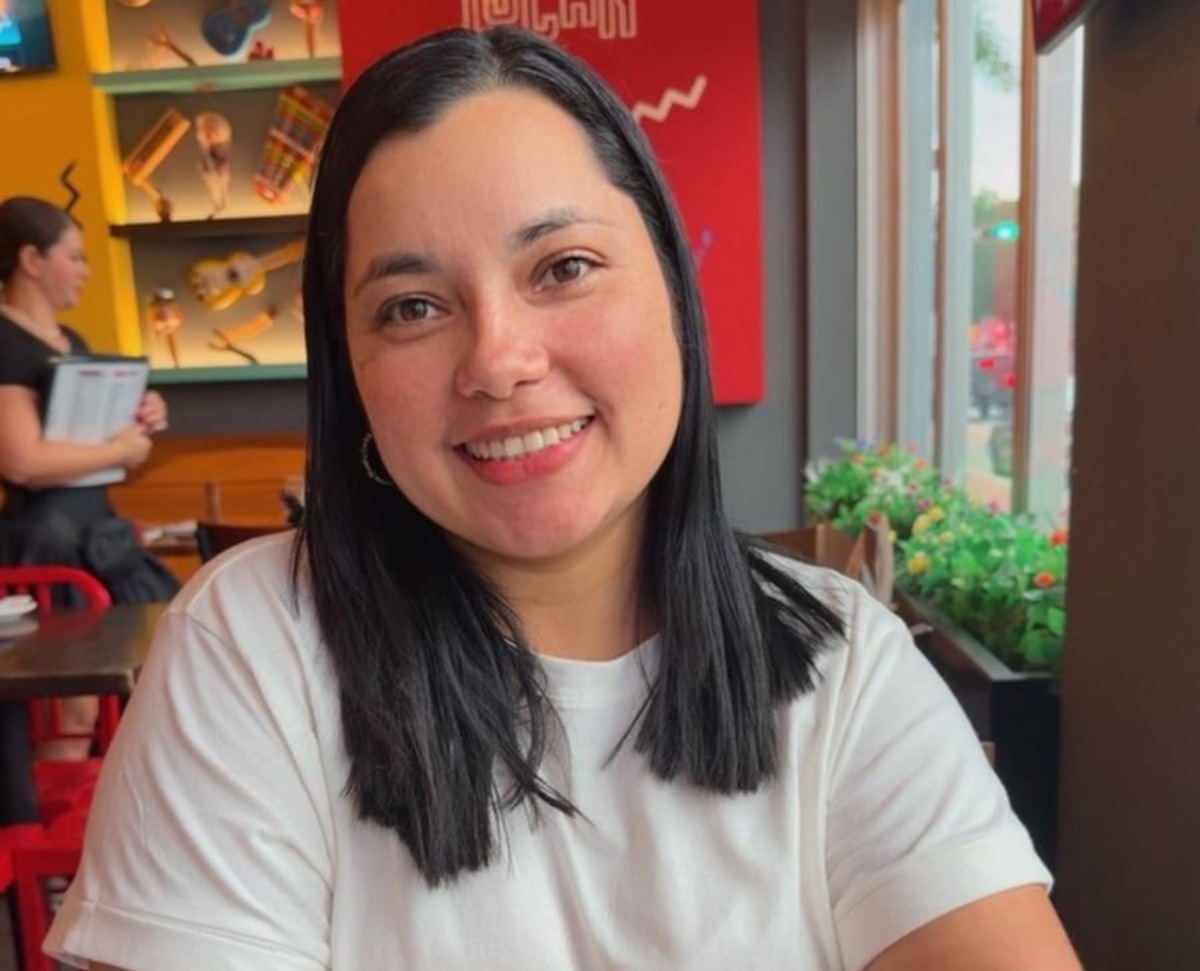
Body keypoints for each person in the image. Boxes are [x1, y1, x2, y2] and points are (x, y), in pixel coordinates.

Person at [46, 26, 1080, 971]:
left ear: (672, 289)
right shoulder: (254, 643)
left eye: (564, 266)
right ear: (351, 370)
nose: (499, 360)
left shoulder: (843, 663)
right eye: (412, 306)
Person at [0, 196, 178, 771]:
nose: (84, 270)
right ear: (31, 260)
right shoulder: (5, 341)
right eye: (74, 256)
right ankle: (59, 824)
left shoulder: (70, 341)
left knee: (129, 695)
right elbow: (22, 461)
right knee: (71, 713)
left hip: (94, 533)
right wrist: (121, 448)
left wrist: (140, 416)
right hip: (48, 545)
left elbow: (84, 442)